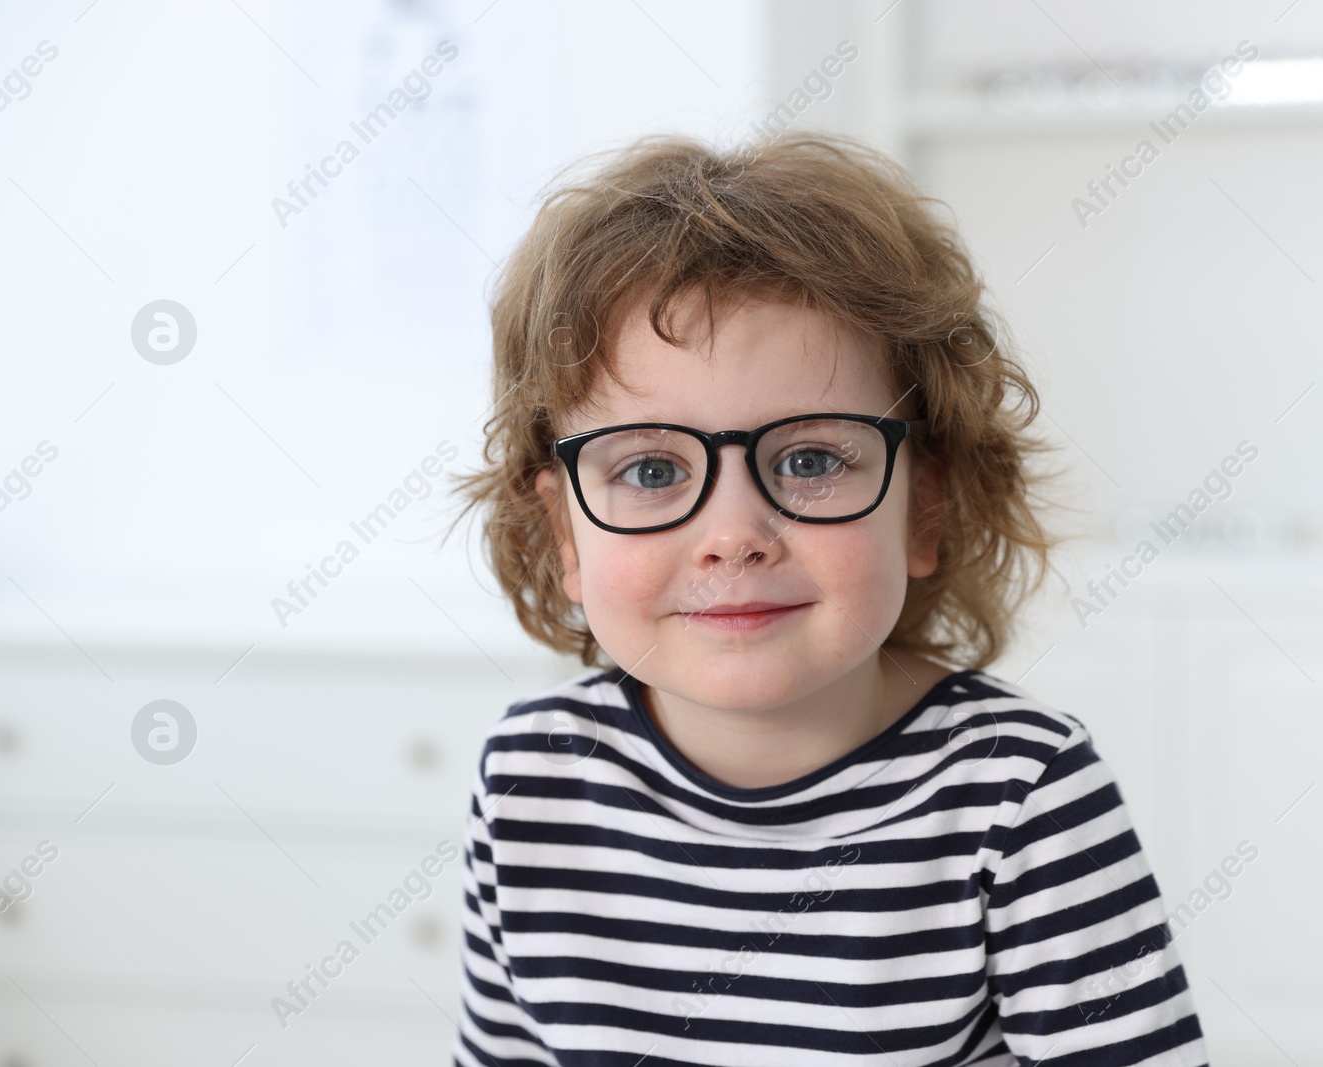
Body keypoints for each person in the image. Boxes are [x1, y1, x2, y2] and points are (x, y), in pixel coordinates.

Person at [448, 131, 1207, 1066]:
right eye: (650, 467)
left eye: (810, 461)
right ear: (567, 534)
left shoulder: (1017, 796)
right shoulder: (532, 777)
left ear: (922, 506)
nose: (733, 532)